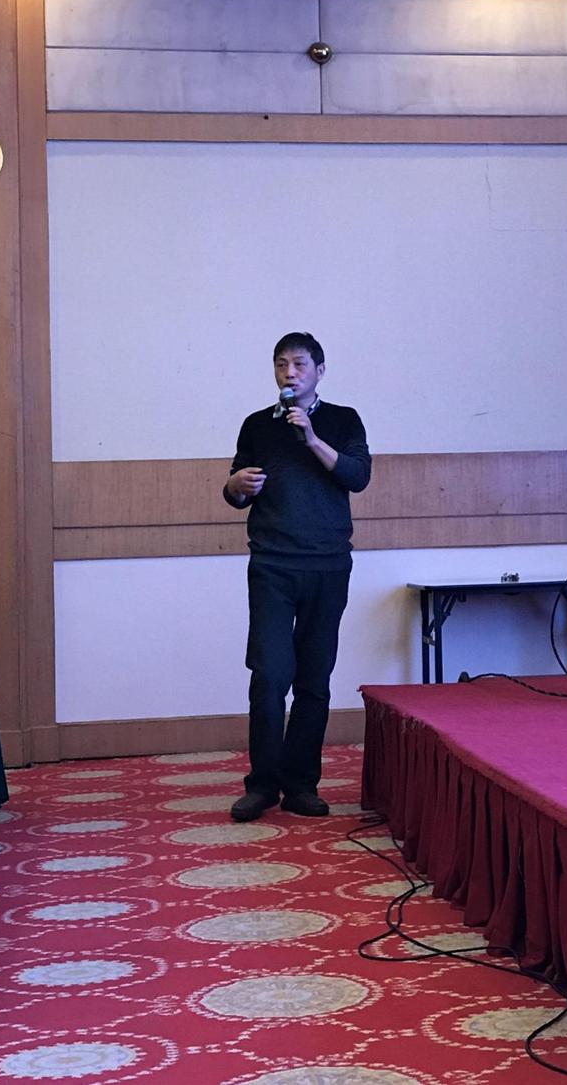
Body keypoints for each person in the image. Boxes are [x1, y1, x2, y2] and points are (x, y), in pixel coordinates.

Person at [224, 332, 371, 822]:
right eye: (282, 364)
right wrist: (235, 486)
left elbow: (357, 476)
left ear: (319, 371)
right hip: (272, 563)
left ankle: (301, 785)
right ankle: (262, 785)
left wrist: (310, 437)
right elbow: (236, 491)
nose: (290, 372)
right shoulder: (256, 425)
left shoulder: (343, 420)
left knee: (314, 678)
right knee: (269, 676)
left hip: (328, 564)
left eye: (300, 364)